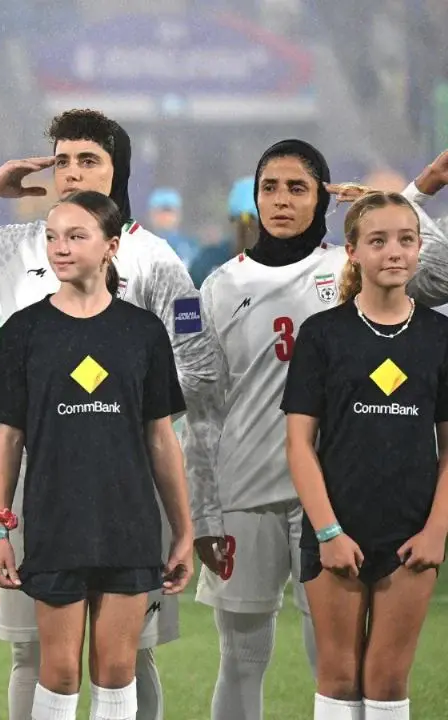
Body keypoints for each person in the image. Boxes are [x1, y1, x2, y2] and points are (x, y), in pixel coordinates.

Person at [0, 108, 212, 720]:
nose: (73, 173)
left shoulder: (155, 260)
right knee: (33, 655)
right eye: (63, 160)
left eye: (90, 160)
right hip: (39, 495)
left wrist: (111, 416)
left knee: (132, 657)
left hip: (127, 493)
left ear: (117, 170)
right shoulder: (14, 244)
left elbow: (199, 367)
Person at [188, 140, 448, 720]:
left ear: (326, 200)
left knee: (335, 662)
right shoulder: (219, 286)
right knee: (240, 656)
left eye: (298, 187)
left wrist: (406, 196)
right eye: (269, 188)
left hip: (337, 496)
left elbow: (425, 266)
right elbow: (204, 407)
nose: (281, 200)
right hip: (244, 494)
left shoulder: (346, 266)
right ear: (254, 199)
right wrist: (203, 506)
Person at [0, 191, 193, 720]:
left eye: (76, 236)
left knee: (117, 669)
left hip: (129, 523)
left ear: (110, 246)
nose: (60, 248)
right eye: (52, 237)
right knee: (59, 671)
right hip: (54, 522)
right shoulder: (24, 331)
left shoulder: (142, 331)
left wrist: (184, 530)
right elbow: (8, 438)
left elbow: (161, 438)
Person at [282, 191, 448, 720]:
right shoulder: (322, 334)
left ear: (420, 248)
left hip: (411, 532)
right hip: (337, 532)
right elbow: (298, 445)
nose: (393, 252)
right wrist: (328, 533)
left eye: (406, 240)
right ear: (351, 251)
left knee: (388, 679)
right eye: (377, 241)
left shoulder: (440, 336)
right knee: (337, 677)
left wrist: (437, 531)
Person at [188, 177, 256, 288]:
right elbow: (184, 303)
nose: (247, 229)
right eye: (242, 220)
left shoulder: (283, 266)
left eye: (252, 221)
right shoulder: (206, 263)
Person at [148, 188, 199, 269]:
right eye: (160, 212)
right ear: (151, 215)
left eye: (169, 212)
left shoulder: (192, 246)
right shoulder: (140, 246)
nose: (165, 217)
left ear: (179, 214)